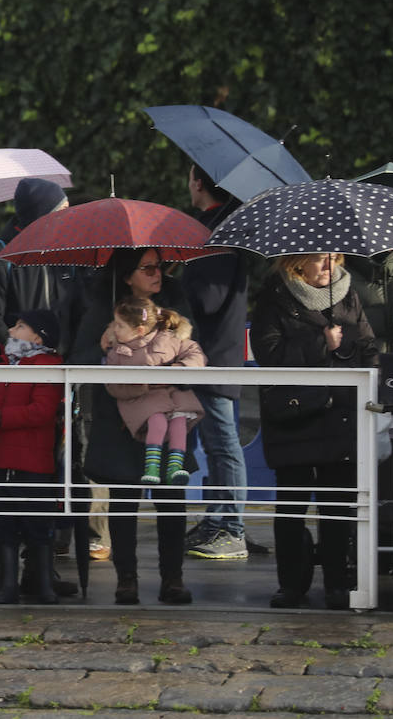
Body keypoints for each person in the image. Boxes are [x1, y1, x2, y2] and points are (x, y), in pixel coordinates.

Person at [250, 252, 377, 610]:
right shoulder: (275, 296)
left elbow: (368, 346)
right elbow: (268, 353)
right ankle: (291, 585)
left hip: (339, 413)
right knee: (292, 506)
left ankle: (337, 583)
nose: (329, 266)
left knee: (337, 506)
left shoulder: (348, 293)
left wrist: (361, 370)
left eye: (334, 258)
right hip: (294, 414)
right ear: (298, 262)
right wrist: (322, 342)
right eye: (321, 259)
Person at [74, 247, 195, 606]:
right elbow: (77, 359)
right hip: (120, 421)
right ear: (127, 276)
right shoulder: (103, 308)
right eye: (148, 268)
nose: (158, 274)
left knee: (171, 500)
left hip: (167, 416)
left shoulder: (175, 306)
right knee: (124, 500)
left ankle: (173, 579)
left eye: (160, 266)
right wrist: (103, 349)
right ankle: (126, 579)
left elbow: (195, 354)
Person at [180, 165, 253, 561]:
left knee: (224, 445)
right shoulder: (225, 228)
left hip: (213, 356)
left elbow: (208, 299)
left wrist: (181, 280)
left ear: (198, 183)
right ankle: (218, 519)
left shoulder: (215, 234)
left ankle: (231, 528)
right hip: (216, 353)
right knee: (217, 444)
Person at [0, 309, 64, 605]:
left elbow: (42, 411)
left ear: (38, 337)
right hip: (2, 459)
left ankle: (44, 586)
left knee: (38, 525)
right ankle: (9, 586)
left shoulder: (48, 366)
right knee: (4, 525)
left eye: (20, 326)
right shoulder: (5, 364)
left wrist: (0, 417)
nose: (11, 329)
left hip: (33, 462)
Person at [104, 296, 207, 485]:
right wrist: (140, 385)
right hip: (143, 399)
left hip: (173, 396)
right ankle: (151, 467)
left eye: (119, 325)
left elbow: (195, 354)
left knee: (179, 422)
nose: (114, 328)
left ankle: (175, 466)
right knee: (157, 420)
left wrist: (178, 369)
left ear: (139, 330)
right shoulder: (117, 352)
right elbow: (113, 385)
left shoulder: (169, 339)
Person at [0, 178, 80, 355]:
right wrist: (18, 353)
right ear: (42, 215)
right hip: (16, 364)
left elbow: (77, 311)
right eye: (62, 210)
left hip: (61, 365)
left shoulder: (66, 254)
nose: (68, 217)